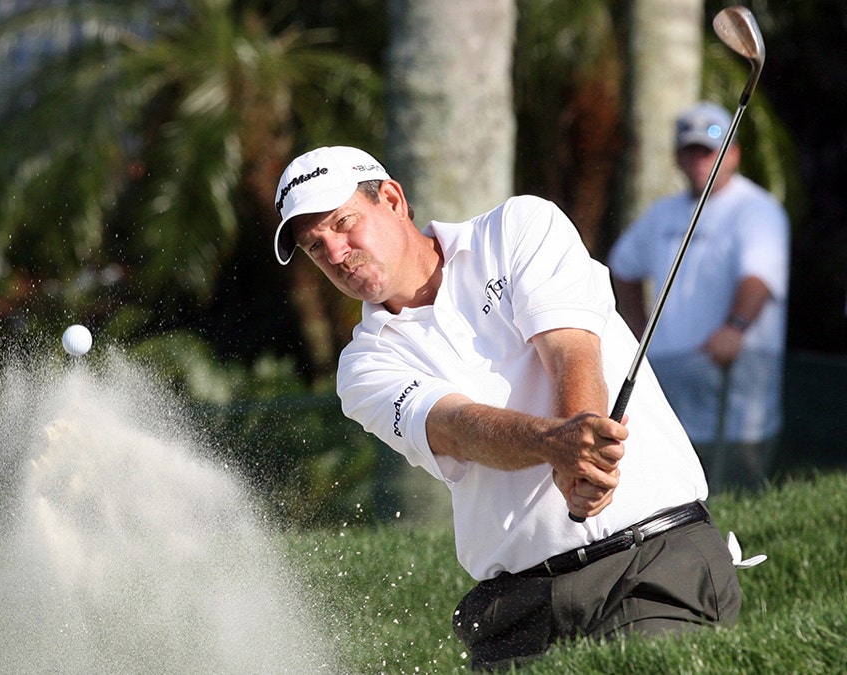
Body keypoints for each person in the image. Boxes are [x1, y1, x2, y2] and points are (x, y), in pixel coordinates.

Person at [272, 145, 745, 670]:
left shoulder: (518, 227)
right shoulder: (362, 366)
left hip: (650, 563)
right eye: (317, 248)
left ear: (391, 199)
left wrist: (582, 449)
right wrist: (559, 448)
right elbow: (453, 427)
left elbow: (571, 350)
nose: (337, 253)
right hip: (518, 611)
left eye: (344, 224)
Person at [609, 101, 790, 495]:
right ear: (677, 157)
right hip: (670, 378)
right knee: (676, 488)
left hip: (733, 375)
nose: (699, 161)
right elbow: (623, 266)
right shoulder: (662, 214)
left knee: (738, 489)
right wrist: (638, 333)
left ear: (734, 153)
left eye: (709, 151)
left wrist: (734, 327)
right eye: (690, 151)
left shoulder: (757, 209)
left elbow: (758, 277)